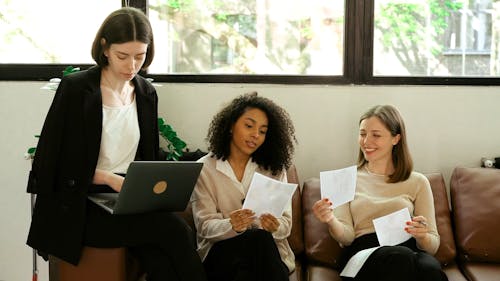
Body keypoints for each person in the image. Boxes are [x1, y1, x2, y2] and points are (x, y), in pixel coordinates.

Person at [26, 7, 206, 281]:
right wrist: (108, 179)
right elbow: (49, 161)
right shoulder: (77, 89)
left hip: (127, 200)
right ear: (105, 48)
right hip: (81, 206)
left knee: (162, 261)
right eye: (123, 56)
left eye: (140, 57)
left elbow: (148, 155)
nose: (131, 66)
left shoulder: (145, 92)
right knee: (175, 230)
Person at [312, 105, 447, 281]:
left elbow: (433, 246)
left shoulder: (418, 182)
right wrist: (331, 220)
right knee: (401, 257)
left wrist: (422, 235)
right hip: (363, 254)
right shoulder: (343, 179)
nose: (366, 142)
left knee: (430, 268)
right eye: (362, 134)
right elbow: (346, 238)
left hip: (409, 250)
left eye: (376, 135)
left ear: (396, 139)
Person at [190, 92, 297, 281]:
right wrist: (231, 225)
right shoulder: (204, 169)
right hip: (221, 254)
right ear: (231, 125)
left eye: (263, 131)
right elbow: (204, 227)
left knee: (259, 241)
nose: (255, 135)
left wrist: (274, 226)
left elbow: (286, 224)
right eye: (249, 126)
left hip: (265, 255)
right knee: (256, 241)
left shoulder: (274, 169)